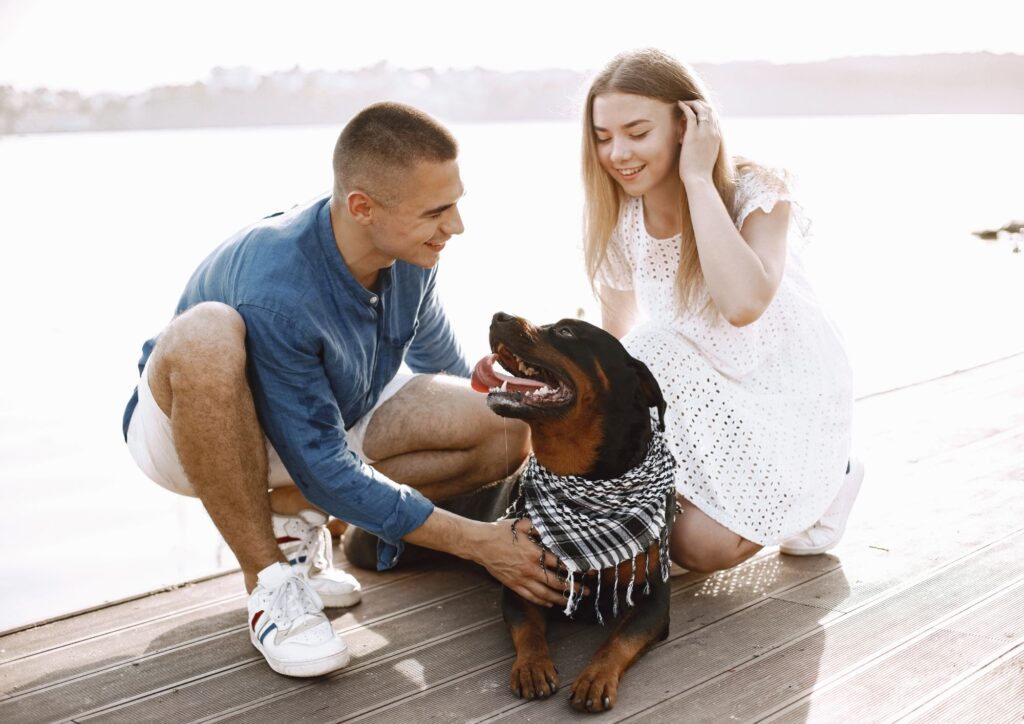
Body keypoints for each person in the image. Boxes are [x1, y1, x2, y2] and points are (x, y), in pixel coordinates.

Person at [122, 102, 570, 679]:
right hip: (193, 433)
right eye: (438, 211)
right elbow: (322, 462)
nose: (456, 225)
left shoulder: (410, 252)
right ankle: (269, 583)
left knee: (502, 426)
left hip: (326, 416)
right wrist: (480, 542)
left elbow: (441, 363)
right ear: (362, 207)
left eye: (456, 202)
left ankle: (289, 516)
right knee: (208, 331)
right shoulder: (277, 286)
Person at [580, 49, 862, 574]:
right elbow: (614, 347)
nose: (617, 152)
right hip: (707, 402)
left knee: (699, 549)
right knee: (682, 541)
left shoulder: (755, 192)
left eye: (637, 132)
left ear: (687, 125)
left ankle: (830, 480)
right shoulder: (620, 221)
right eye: (602, 136)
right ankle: (787, 500)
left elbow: (742, 305)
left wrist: (698, 179)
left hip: (788, 396)